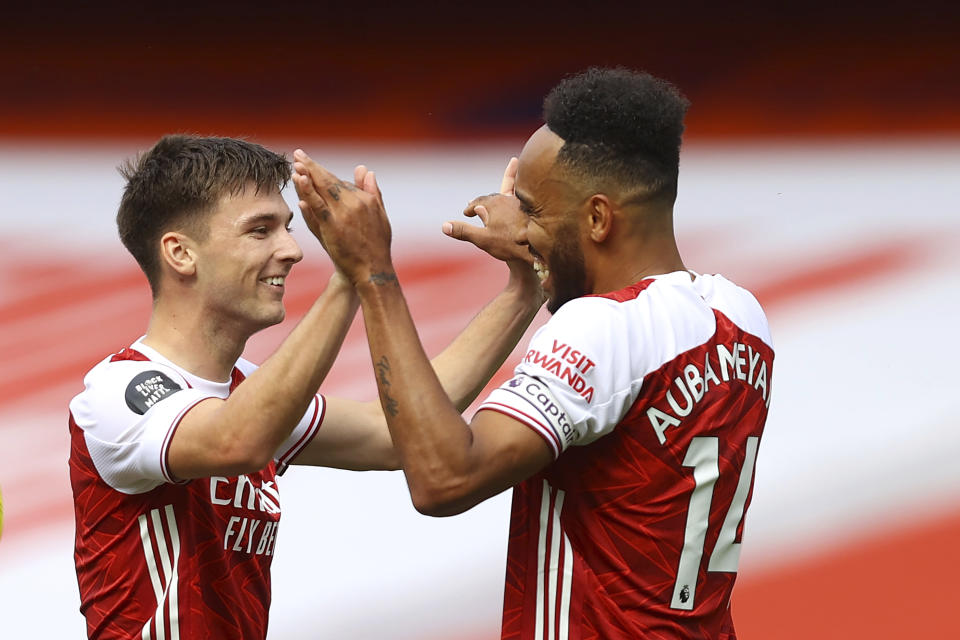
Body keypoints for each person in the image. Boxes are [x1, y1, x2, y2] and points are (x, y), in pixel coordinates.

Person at [292, 67, 774, 639]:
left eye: (533, 211)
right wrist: (532, 274)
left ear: (597, 218)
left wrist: (373, 271)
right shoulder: (741, 316)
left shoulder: (601, 327)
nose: (519, 227)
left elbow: (443, 479)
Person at [68, 134, 543, 639]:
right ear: (181, 253)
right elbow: (237, 441)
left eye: (289, 228)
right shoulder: (121, 392)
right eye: (259, 231)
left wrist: (525, 288)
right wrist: (354, 273)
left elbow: (391, 431)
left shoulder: (243, 389)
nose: (293, 251)